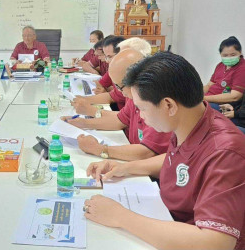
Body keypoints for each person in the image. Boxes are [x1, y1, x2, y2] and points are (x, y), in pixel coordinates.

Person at [84, 52, 245, 250]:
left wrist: (120, 217)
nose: (141, 115)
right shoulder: (191, 120)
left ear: (169, 105)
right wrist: (125, 168)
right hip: (168, 215)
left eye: (142, 108)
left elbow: (216, 243)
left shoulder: (225, 152)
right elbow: (180, 160)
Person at [63, 49, 171, 161]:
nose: (119, 92)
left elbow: (146, 152)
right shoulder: (132, 97)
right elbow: (120, 120)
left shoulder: (155, 102)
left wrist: (100, 149)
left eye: (120, 87)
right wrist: (82, 122)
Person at [204, 36, 245, 110]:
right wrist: (195, 94)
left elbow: (235, 96)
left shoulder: (242, 68)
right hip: (208, 99)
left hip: (223, 105)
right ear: (220, 54)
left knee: (192, 109)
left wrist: (204, 98)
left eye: (233, 55)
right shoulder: (220, 65)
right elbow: (209, 85)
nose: (229, 58)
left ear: (240, 52)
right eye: (225, 55)